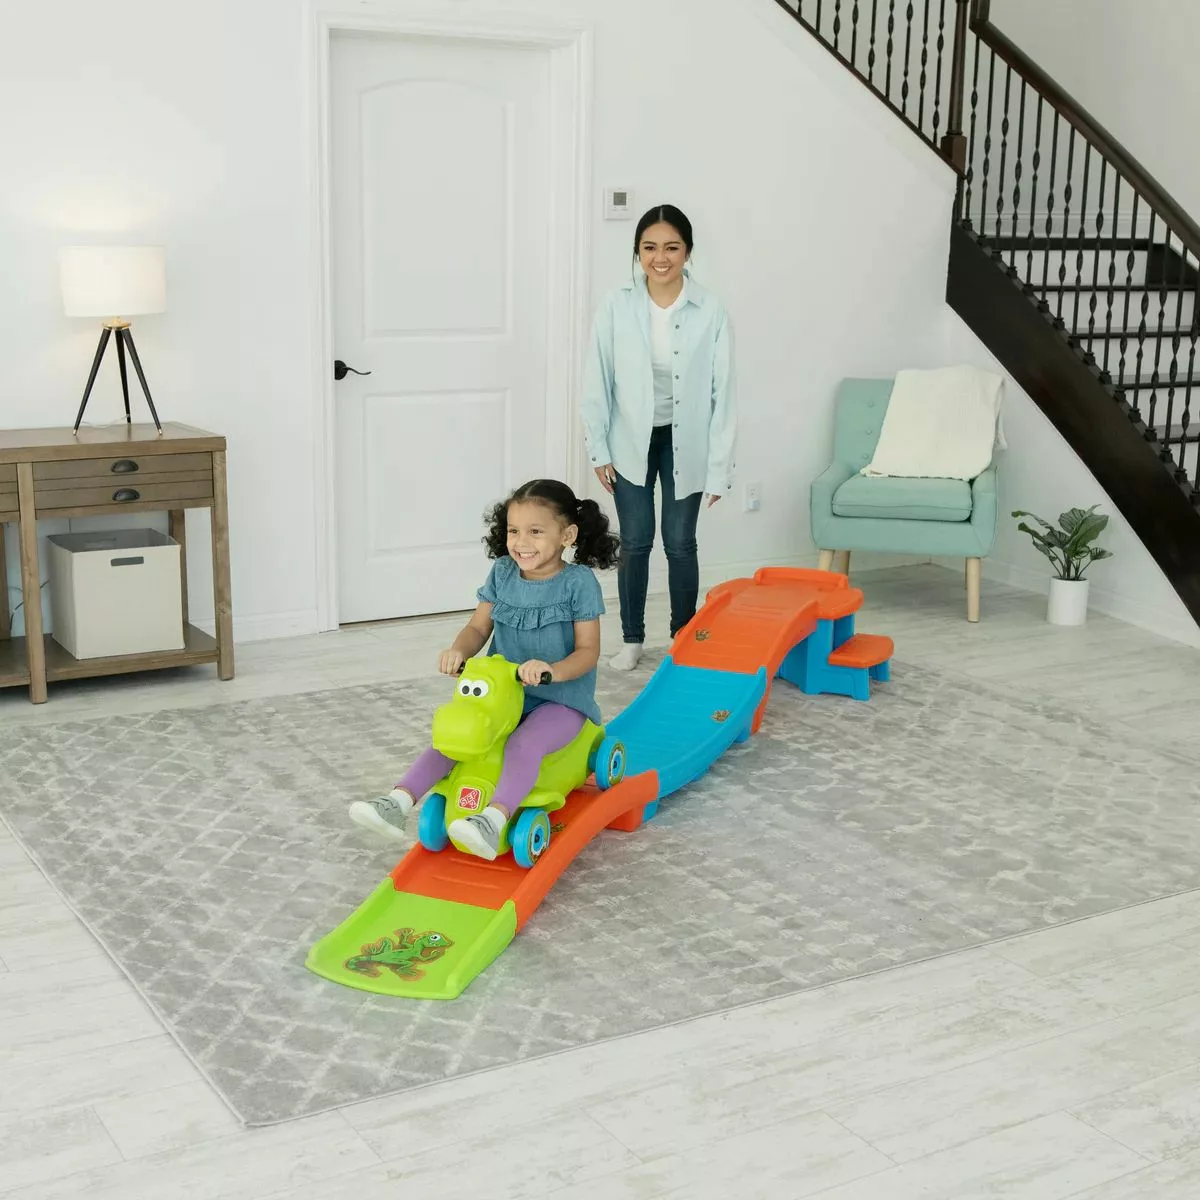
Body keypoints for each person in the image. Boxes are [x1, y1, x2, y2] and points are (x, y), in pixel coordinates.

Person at [348, 479, 620, 861]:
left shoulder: (577, 583)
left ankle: (493, 820)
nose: (521, 542)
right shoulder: (503, 572)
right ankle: (398, 801)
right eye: (513, 530)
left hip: (559, 699)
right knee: (459, 733)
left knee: (523, 743)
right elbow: (478, 627)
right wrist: (458, 650)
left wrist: (552, 671)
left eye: (535, 532)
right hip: (503, 694)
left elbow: (589, 651)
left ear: (567, 535)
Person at [581, 203, 737, 672]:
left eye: (672, 247)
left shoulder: (710, 309)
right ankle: (631, 640)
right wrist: (598, 448)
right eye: (650, 247)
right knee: (635, 541)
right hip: (629, 439)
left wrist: (719, 469)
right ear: (638, 252)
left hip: (686, 441)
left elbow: (724, 393)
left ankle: (683, 639)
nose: (660, 257)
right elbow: (596, 380)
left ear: (687, 251)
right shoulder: (616, 305)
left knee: (680, 542)